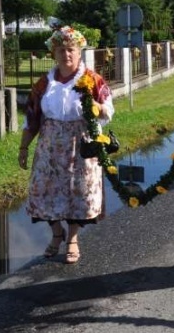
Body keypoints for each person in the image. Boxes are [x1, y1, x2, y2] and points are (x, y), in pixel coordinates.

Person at [18, 26, 115, 264]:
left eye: (70, 50)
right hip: (50, 147)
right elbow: (32, 118)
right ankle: (56, 233)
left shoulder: (92, 80)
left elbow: (108, 111)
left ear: (79, 52)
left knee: (77, 193)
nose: (66, 55)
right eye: (61, 50)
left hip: (81, 145)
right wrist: (23, 148)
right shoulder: (44, 83)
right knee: (43, 190)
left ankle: (72, 238)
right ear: (54, 53)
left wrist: (97, 107)